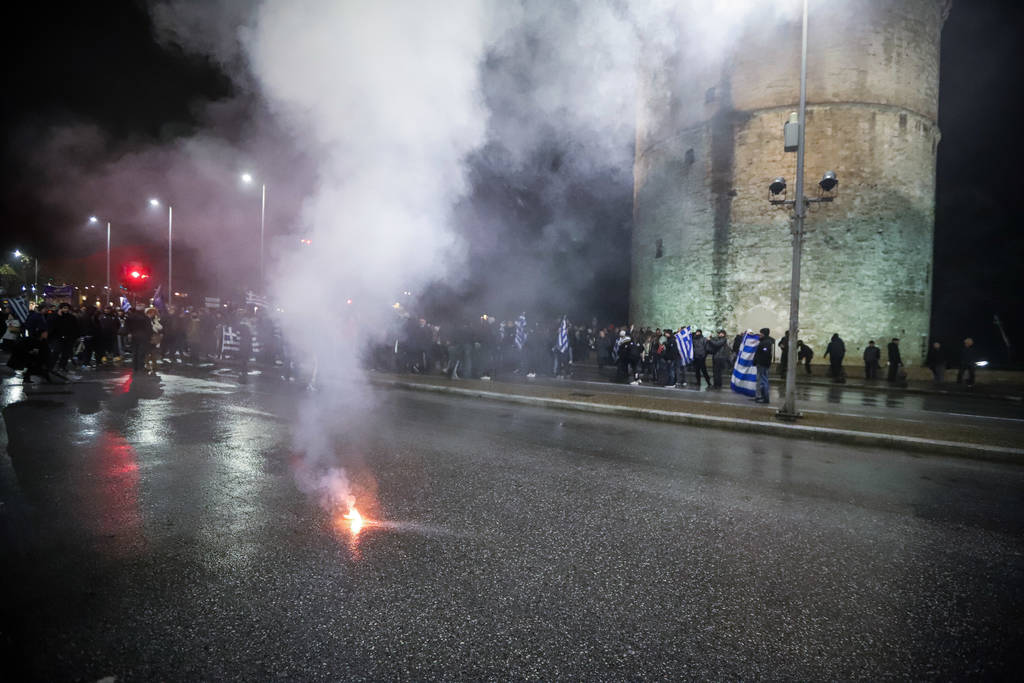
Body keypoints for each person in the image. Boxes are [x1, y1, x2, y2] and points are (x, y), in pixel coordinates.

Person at [753, 327, 774, 403]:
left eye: (761, 333)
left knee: (763, 380)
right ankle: (761, 396)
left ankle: (765, 398)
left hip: (763, 364)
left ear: (764, 334)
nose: (759, 335)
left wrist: (759, 360)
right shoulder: (765, 341)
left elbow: (765, 352)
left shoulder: (766, 343)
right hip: (762, 364)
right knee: (761, 380)